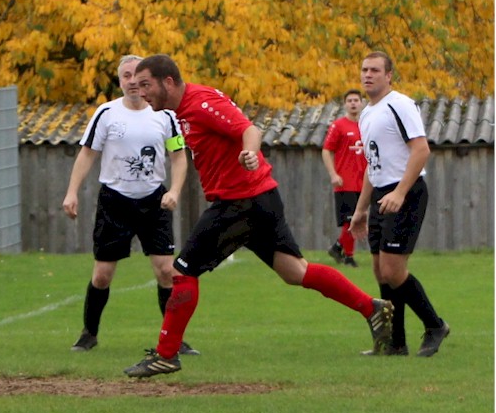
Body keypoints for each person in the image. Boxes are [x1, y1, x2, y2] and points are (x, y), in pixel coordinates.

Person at [122, 54, 394, 378]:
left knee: (181, 271)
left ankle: (166, 354)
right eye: (136, 86)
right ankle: (370, 307)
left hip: (241, 201)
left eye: (146, 85)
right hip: (258, 198)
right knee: (296, 272)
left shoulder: (200, 102)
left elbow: (248, 128)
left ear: (168, 81)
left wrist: (249, 152)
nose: (141, 93)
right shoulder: (181, 111)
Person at [62, 55, 200, 355]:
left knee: (166, 272)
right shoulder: (107, 113)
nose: (133, 82)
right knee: (102, 275)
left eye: (138, 77)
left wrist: (174, 190)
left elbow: (178, 157)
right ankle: (89, 334)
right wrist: (72, 192)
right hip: (115, 201)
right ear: (120, 80)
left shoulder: (165, 115)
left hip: (154, 201)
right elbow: (87, 154)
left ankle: (172, 340)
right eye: (126, 76)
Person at [350, 51, 449, 357]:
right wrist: (361, 209)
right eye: (364, 69)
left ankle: (435, 326)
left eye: (375, 70)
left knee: (394, 270)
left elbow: (421, 150)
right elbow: (372, 165)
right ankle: (396, 343)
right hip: (382, 194)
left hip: (405, 192)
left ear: (389, 75)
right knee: (381, 271)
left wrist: (400, 192)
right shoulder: (366, 114)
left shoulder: (400, 104)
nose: (368, 75)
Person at [322, 89, 366, 267]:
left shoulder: (367, 125)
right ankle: (348, 256)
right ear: (345, 104)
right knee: (349, 220)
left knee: (358, 219)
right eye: (350, 100)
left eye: (356, 100)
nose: (353, 103)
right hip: (345, 181)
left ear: (362, 103)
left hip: (363, 182)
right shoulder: (338, 126)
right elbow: (326, 150)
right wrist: (333, 174)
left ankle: (337, 247)